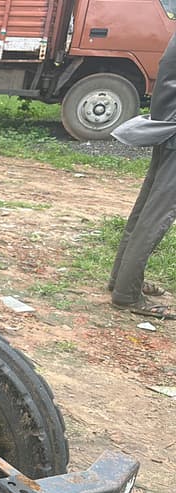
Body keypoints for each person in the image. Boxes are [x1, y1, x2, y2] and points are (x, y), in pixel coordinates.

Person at [108, 32, 176, 320]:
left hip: (167, 122)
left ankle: (122, 280)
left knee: (145, 209)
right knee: (157, 216)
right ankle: (126, 294)